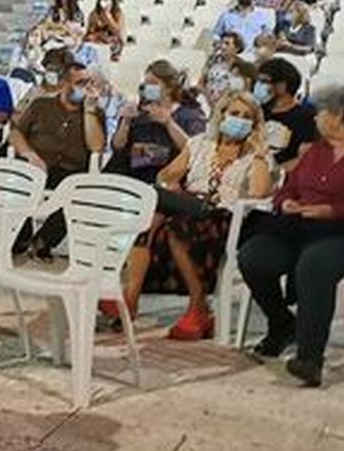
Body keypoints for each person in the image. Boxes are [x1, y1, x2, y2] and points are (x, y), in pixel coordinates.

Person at [238, 86, 344, 387]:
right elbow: (290, 186)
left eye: (321, 111)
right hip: (303, 227)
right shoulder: (315, 151)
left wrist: (334, 210)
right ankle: (282, 322)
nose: (316, 117)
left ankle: (310, 358)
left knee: (315, 264)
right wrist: (285, 202)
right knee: (254, 256)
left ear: (338, 116)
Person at [115, 92, 273, 338]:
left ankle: (197, 305)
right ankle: (131, 297)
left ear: (254, 123)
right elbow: (166, 176)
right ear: (222, 116)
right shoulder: (199, 144)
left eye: (246, 117)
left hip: (227, 216)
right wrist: (174, 186)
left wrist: (260, 158)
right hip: (191, 206)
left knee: (173, 227)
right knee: (151, 217)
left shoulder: (257, 156)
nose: (239, 120)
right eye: (234, 114)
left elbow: (258, 195)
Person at [107, 60, 207, 184]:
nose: (148, 88)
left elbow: (195, 151)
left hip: (165, 174)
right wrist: (126, 121)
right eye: (146, 83)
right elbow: (118, 146)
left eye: (153, 83)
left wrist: (169, 123)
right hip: (131, 171)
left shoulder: (190, 113)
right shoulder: (138, 111)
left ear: (169, 88)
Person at [10, 61, 106, 186]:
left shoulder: (95, 112)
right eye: (80, 83)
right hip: (35, 166)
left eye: (88, 82)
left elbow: (96, 147)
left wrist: (89, 111)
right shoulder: (41, 105)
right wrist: (29, 154)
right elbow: (16, 133)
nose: (85, 88)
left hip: (71, 175)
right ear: (63, 84)